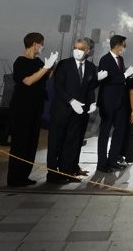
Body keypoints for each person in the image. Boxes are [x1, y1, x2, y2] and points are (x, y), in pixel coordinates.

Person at [6, 32, 58, 187]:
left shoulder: (38, 61)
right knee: (20, 143)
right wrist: (45, 68)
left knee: (31, 143)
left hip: (36, 108)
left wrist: (51, 67)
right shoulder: (20, 62)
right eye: (41, 44)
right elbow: (28, 81)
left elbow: (45, 77)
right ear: (35, 44)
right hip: (22, 109)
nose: (42, 47)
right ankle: (14, 178)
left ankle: (24, 175)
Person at [47, 38, 98, 183]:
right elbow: (58, 86)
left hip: (79, 112)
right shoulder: (64, 64)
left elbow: (90, 88)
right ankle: (52, 175)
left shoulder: (90, 67)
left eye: (81, 48)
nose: (77, 51)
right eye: (75, 48)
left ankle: (67, 172)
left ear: (88, 51)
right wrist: (71, 100)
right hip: (62, 110)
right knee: (56, 142)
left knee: (72, 143)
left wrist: (92, 103)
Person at [96, 35, 129, 173]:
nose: (124, 48)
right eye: (124, 45)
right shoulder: (105, 59)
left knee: (119, 131)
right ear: (117, 45)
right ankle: (102, 164)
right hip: (107, 102)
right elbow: (107, 80)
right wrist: (124, 76)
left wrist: (127, 76)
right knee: (104, 133)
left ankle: (113, 160)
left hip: (120, 101)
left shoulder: (120, 59)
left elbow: (120, 80)